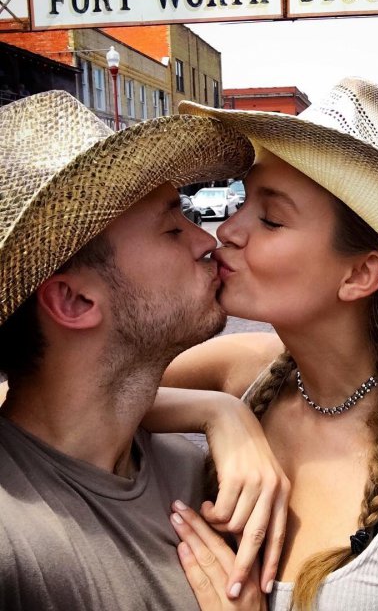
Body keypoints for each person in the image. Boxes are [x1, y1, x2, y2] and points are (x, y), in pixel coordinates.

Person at [148, 78, 378, 609]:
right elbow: (52, 406)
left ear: (362, 274)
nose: (227, 230)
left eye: (271, 219)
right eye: (244, 202)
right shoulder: (245, 374)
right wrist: (219, 415)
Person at [0, 90, 289, 609]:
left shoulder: (197, 473)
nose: (208, 242)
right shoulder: (14, 544)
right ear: (73, 299)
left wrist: (222, 411)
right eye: (171, 228)